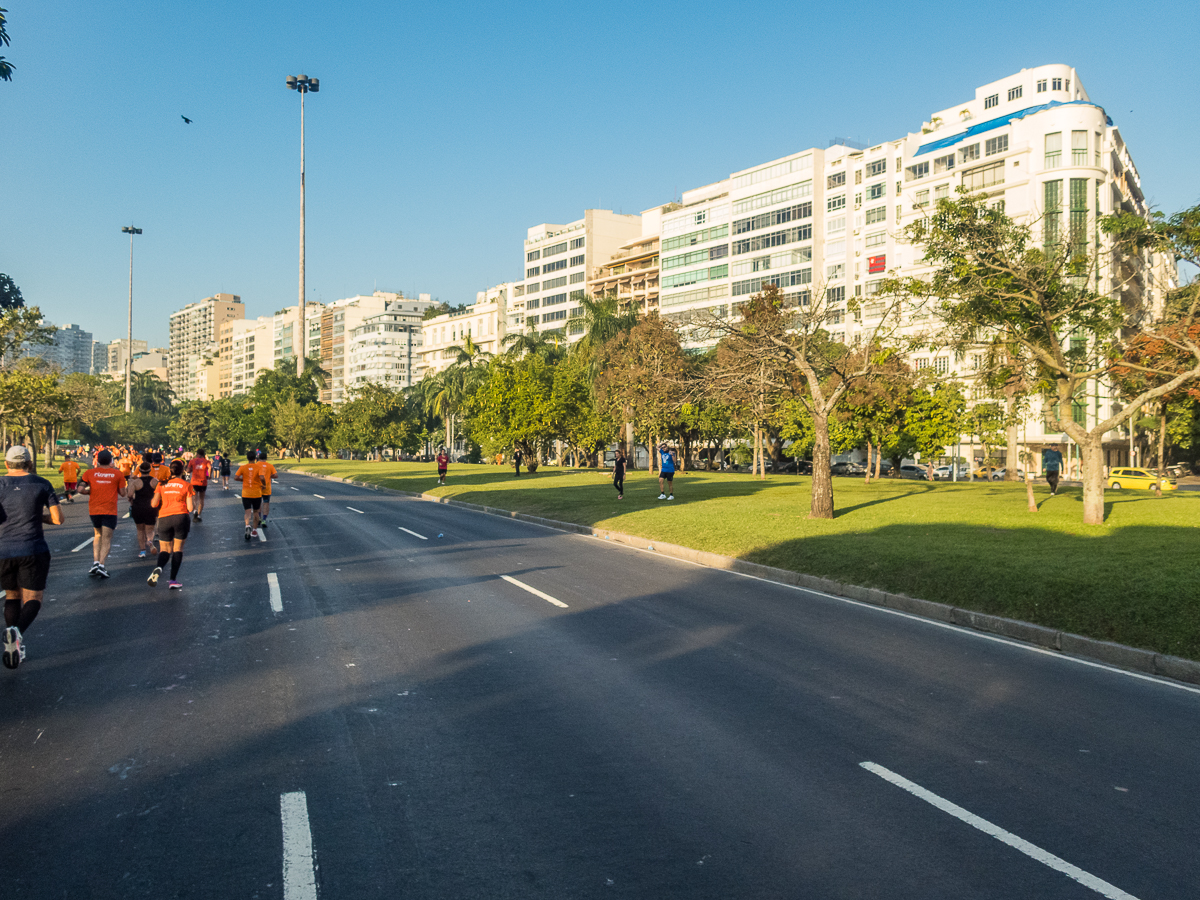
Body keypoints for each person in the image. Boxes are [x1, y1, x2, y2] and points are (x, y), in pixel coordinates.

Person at [1, 446, 63, 670]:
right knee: (33, 599)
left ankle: (15, 642)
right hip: (33, 548)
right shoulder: (42, 484)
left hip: (4, 551)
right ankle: (16, 634)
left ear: (7, 464)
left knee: (11, 596)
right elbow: (57, 519)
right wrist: (38, 516)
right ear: (29, 464)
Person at [147, 459, 194, 589]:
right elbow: (190, 508)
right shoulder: (186, 485)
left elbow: (153, 504)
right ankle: (173, 580)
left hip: (164, 518)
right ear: (182, 470)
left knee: (165, 550)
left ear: (170, 470)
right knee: (178, 549)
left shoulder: (161, 485)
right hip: (181, 517)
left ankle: (158, 568)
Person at [79, 449, 126, 578]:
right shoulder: (118, 474)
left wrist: (90, 492)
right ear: (111, 460)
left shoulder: (89, 473)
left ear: (98, 461)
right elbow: (123, 493)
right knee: (107, 538)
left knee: (97, 535)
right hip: (109, 510)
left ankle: (95, 562)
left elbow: (80, 489)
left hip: (94, 509)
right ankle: (102, 565)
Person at [126, 461, 159, 558]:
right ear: (150, 470)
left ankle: (142, 551)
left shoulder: (135, 482)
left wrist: (131, 500)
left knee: (140, 530)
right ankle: (150, 541)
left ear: (139, 470)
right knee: (150, 530)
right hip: (151, 507)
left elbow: (130, 495)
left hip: (138, 507)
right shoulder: (155, 481)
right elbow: (159, 494)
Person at [235, 451, 263, 540]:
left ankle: (247, 526)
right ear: (255, 458)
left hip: (246, 493)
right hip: (256, 493)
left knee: (247, 512)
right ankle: (254, 530)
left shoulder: (243, 467)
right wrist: (264, 484)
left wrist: (242, 480)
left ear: (247, 458)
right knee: (256, 512)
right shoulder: (258, 467)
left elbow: (236, 477)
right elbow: (262, 477)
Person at [187, 449, 211, 521]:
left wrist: (191, 469)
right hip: (203, 482)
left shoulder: (192, 461)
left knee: (195, 498)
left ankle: (194, 511)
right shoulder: (206, 461)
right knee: (201, 499)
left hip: (194, 482)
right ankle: (199, 515)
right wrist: (209, 475)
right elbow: (210, 467)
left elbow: (188, 470)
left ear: (197, 454)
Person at [255, 450, 278, 528]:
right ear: (266, 458)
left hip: (257, 487)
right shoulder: (270, 466)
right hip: (267, 488)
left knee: (258, 504)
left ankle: (259, 518)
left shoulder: (256, 465)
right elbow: (275, 475)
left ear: (258, 457)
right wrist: (269, 476)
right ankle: (264, 519)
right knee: (266, 503)